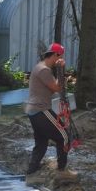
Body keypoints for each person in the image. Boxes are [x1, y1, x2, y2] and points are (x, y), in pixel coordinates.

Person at [24, 42, 76, 180]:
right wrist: (61, 69)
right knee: (64, 136)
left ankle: (31, 171)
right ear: (54, 55)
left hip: (33, 111)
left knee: (41, 142)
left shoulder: (39, 67)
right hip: (41, 109)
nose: (59, 59)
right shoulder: (44, 70)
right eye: (59, 57)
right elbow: (57, 88)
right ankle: (62, 170)